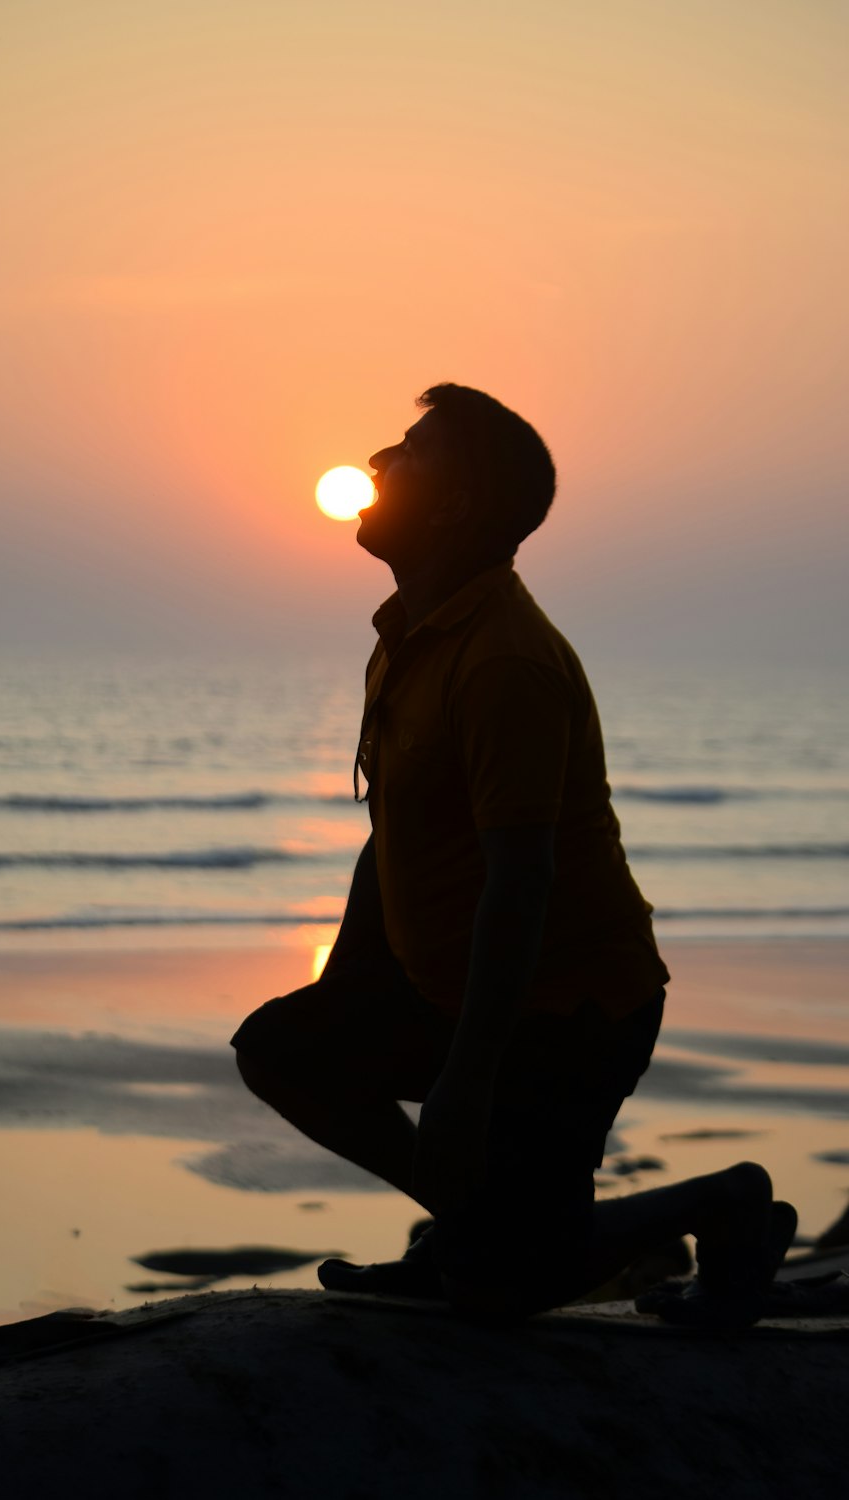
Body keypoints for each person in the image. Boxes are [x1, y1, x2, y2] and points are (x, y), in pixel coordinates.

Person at [232, 383, 795, 1327]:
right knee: (283, 1051)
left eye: (411, 450)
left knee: (501, 1295)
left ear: (453, 506)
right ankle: (478, 1224)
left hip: (568, 1009)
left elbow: (521, 884)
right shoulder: (405, 636)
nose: (379, 460)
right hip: (451, 988)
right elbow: (394, 841)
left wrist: (465, 1078)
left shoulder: (503, 661)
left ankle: (720, 1202)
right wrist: (354, 984)